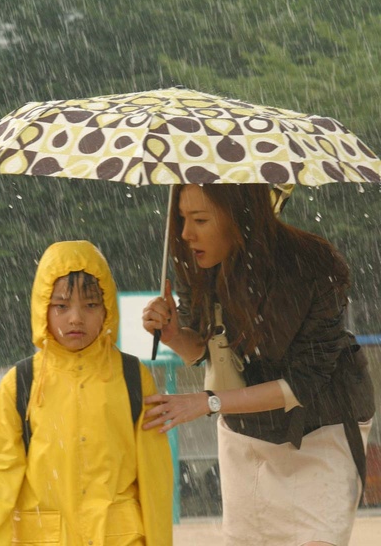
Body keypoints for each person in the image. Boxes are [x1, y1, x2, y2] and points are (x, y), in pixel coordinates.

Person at [142, 184, 375, 546]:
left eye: (200, 220)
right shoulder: (194, 260)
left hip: (323, 424)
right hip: (247, 430)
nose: (186, 233)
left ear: (239, 216)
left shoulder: (313, 264)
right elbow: (203, 348)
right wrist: (173, 334)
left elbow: (303, 383)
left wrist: (208, 401)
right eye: (182, 218)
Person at [0, 240, 173, 546]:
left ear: (107, 307)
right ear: (42, 308)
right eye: (61, 305)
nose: (76, 317)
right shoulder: (21, 383)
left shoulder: (133, 378)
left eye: (90, 305)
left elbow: (155, 479)